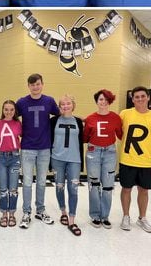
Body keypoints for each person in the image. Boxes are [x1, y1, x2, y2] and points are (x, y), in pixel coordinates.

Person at [119, 86, 151, 233]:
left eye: (142, 96)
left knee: (143, 190)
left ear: (148, 97)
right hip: (127, 160)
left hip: (146, 161)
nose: (140, 99)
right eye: (136, 97)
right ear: (132, 99)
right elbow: (114, 128)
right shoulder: (125, 114)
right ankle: (126, 216)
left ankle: (142, 218)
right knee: (126, 189)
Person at [16, 73, 59, 229]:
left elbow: (60, 116)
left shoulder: (49, 101)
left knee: (41, 181)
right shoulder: (21, 102)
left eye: (38, 84)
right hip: (27, 147)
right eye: (32, 84)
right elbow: (11, 118)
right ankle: (26, 212)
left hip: (44, 147)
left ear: (42, 84)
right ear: (29, 86)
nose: (35, 87)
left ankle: (40, 210)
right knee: (27, 182)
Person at [83, 89, 122, 229]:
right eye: (100, 99)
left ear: (109, 101)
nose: (103, 102)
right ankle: (95, 215)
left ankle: (105, 216)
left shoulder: (116, 118)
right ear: (96, 101)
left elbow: (121, 135)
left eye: (106, 99)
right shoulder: (90, 118)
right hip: (93, 152)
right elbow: (85, 137)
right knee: (94, 185)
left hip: (110, 152)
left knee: (107, 186)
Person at [49, 94, 85, 236]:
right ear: (59, 107)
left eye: (68, 103)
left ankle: (72, 219)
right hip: (57, 158)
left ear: (73, 105)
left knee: (73, 189)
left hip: (74, 159)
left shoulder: (78, 121)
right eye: (62, 104)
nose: (65, 106)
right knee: (59, 186)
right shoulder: (53, 121)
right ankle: (63, 211)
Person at [0, 99, 22, 227]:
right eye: (6, 109)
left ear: (15, 111)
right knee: (3, 189)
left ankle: (12, 213)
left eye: (11, 109)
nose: (9, 112)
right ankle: (4, 214)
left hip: (15, 158)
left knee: (13, 189)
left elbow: (25, 137)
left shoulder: (18, 123)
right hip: (0, 159)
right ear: (3, 110)